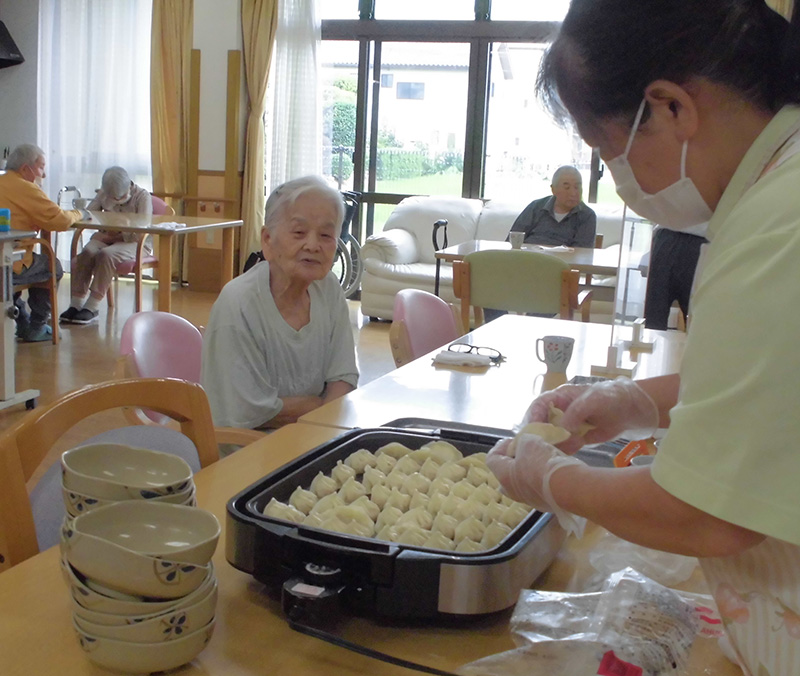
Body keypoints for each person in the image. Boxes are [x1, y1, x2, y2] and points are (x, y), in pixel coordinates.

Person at [485, 2, 800, 674]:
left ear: (669, 109)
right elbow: (776, 383)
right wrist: (637, 401)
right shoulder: (777, 190)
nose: (617, 177)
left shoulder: (781, 225)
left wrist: (555, 481)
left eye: (606, 151)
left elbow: (708, 514)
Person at [201, 175, 358, 429]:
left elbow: (343, 377)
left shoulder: (328, 289)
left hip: (313, 438)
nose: (313, 244)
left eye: (326, 235)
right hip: (246, 453)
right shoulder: (239, 304)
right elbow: (245, 412)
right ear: (267, 241)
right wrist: (318, 407)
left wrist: (317, 420)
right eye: (299, 232)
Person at [0, 143, 82, 342]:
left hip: (6, 253)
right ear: (25, 169)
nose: (43, 175)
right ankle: (36, 327)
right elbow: (59, 220)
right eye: (41, 167)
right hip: (10, 260)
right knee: (52, 267)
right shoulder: (25, 188)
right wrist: (79, 213)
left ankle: (22, 320)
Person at [59, 166, 153, 325]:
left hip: (135, 243)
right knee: (88, 251)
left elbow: (140, 232)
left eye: (120, 197)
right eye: (113, 198)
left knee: (106, 255)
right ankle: (76, 303)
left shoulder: (142, 197)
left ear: (129, 186)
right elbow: (88, 216)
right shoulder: (104, 194)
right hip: (107, 238)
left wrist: (111, 237)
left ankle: (92, 305)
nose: (116, 201)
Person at [506, 165, 596, 248]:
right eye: (567, 188)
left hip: (563, 264)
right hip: (529, 260)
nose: (573, 193)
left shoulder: (587, 216)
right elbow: (513, 239)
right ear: (553, 189)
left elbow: (581, 253)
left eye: (577, 187)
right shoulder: (536, 207)